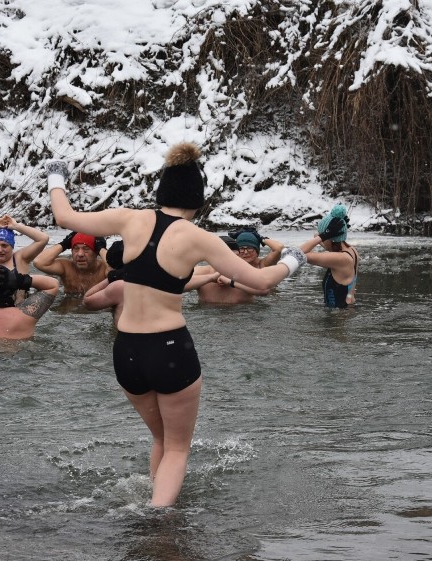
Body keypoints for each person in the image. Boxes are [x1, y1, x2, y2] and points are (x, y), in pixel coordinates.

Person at [46, 142, 306, 507]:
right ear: (197, 202)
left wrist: (57, 174)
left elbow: (64, 217)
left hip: (126, 352)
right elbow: (261, 282)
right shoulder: (200, 238)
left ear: (162, 191)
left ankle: (154, 506)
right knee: (179, 448)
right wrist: (294, 260)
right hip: (168, 348)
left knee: (161, 440)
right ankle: (159, 527)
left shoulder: (130, 218)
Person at [84, 241, 220, 325]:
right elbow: (182, 284)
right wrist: (210, 278)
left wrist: (110, 278)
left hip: (127, 340)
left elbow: (87, 301)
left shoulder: (119, 287)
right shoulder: (157, 278)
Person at [299, 204, 359, 308]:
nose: (321, 239)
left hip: (338, 319)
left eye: (323, 237)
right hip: (347, 311)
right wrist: (324, 234)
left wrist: (324, 235)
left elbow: (298, 253)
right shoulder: (351, 250)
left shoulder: (340, 259)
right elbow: (320, 239)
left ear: (329, 237)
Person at [192, 235, 271, 304]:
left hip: (243, 315)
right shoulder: (201, 272)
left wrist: (231, 282)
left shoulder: (245, 272)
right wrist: (211, 278)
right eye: (227, 257)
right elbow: (180, 285)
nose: (232, 260)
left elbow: (264, 290)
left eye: (235, 256)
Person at [33, 230, 109, 296]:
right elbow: (38, 262)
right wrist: (64, 244)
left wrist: (101, 249)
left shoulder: (104, 268)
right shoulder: (66, 267)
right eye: (76, 249)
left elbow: (116, 270)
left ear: (96, 253)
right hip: (69, 307)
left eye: (86, 249)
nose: (80, 254)